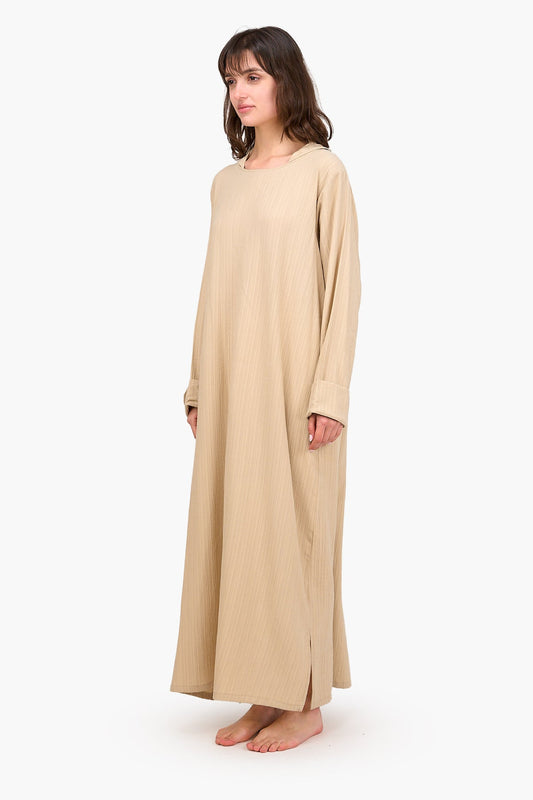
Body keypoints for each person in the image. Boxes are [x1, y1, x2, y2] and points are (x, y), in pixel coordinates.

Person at [169, 26, 362, 753]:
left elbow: (344, 289)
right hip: (232, 380)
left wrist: (329, 392)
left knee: (297, 535)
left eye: (252, 76)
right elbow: (212, 287)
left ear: (285, 80)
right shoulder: (226, 183)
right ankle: (264, 690)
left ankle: (304, 702)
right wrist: (198, 384)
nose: (239, 92)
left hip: (294, 386)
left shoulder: (323, 173)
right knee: (246, 533)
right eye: (230, 80)